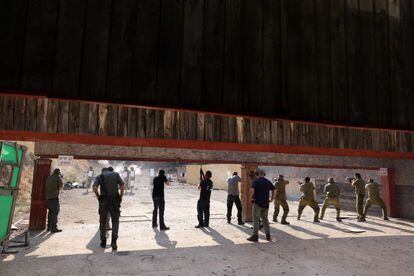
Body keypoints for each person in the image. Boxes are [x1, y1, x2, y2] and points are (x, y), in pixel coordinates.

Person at [93, 167, 125, 250]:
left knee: (103, 221)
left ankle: (103, 241)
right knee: (115, 221)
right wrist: (121, 196)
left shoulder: (100, 176)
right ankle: (114, 241)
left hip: (103, 201)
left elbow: (94, 187)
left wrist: (98, 197)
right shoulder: (115, 174)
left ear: (102, 171)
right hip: (114, 200)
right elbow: (122, 185)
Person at [247, 169, 275, 242]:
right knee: (265, 219)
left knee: (256, 219)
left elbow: (252, 190)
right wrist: (272, 199)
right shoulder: (268, 181)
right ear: (264, 174)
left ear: (257, 174)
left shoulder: (255, 181)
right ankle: (268, 236)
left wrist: (250, 198)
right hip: (266, 204)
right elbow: (274, 190)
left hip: (257, 203)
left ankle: (255, 236)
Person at [45, 168, 63, 233]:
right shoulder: (57, 178)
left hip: (47, 198)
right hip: (54, 198)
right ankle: (54, 228)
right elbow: (61, 186)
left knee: (50, 212)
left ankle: (49, 227)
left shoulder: (49, 178)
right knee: (55, 212)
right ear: (58, 172)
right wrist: (61, 178)